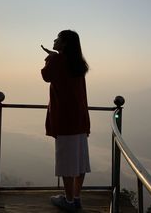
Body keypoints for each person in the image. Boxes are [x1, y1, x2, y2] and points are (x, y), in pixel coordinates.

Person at [41, 30, 91, 212]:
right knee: (79, 162)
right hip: (80, 118)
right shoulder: (78, 63)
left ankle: (69, 202)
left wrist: (51, 58)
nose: (54, 40)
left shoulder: (57, 60)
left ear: (64, 44)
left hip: (64, 119)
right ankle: (76, 198)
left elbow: (46, 76)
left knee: (67, 163)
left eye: (58, 38)